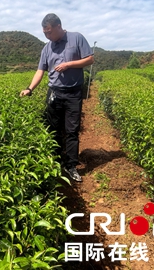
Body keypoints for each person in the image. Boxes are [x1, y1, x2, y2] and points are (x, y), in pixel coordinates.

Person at [20, 14, 94, 182]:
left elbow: (90, 59)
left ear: (59, 26)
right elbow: (40, 71)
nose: (47, 36)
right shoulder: (47, 48)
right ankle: (56, 161)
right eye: (45, 33)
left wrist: (69, 64)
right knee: (53, 129)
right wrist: (29, 89)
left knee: (72, 130)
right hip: (54, 93)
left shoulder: (77, 38)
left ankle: (71, 165)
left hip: (73, 93)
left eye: (49, 32)